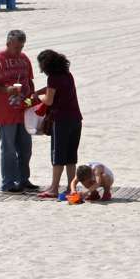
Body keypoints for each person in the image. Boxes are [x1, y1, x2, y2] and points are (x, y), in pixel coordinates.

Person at [0, 30, 37, 193]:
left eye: (21, 47)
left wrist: (32, 99)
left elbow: (30, 81)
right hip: (5, 112)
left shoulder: (24, 58)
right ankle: (8, 183)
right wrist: (6, 90)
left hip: (24, 110)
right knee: (9, 149)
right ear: (8, 44)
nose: (19, 51)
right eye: (16, 48)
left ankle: (23, 180)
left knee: (26, 148)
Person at [35, 50, 82, 199]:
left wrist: (37, 99)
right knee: (70, 156)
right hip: (75, 119)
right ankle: (70, 187)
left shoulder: (53, 78)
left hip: (61, 120)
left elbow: (48, 100)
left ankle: (54, 188)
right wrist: (38, 92)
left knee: (58, 156)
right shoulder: (68, 75)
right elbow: (54, 89)